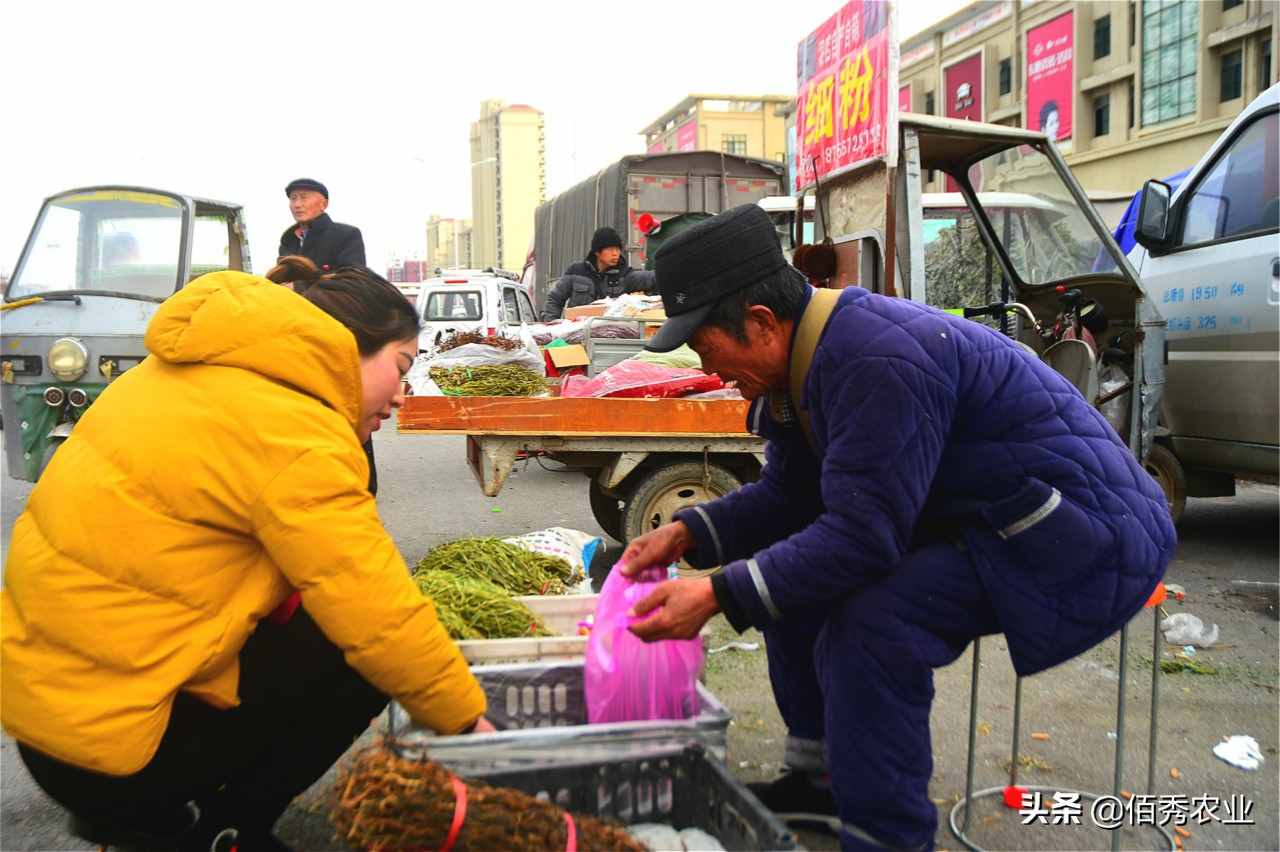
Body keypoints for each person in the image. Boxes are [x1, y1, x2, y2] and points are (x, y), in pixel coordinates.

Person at [617, 204, 1176, 850]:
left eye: (707, 349)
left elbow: (862, 538)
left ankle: (889, 837)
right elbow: (789, 498)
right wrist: (687, 533)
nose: (711, 372)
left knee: (873, 625)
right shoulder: (804, 362)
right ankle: (818, 775)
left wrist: (716, 595)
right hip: (991, 512)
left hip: (1076, 529)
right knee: (787, 569)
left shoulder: (872, 360)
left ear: (761, 323)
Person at [1, 264, 492, 852]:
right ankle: (214, 829)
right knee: (359, 660)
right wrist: (468, 721)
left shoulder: (169, 374)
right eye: (401, 367)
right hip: (111, 745)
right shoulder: (296, 431)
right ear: (343, 349)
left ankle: (161, 815)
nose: (401, 394)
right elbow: (376, 609)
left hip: (40, 712)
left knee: (314, 625)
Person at [540, 225, 656, 320]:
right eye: (610, 249)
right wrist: (551, 325)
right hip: (577, 335)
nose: (615, 253)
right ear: (597, 252)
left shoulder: (624, 275)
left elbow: (652, 278)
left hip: (611, 338)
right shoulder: (576, 272)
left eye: (617, 249)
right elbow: (555, 299)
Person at [277, 178, 366, 270]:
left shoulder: (346, 235)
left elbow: (353, 280)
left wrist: (299, 285)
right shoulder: (287, 242)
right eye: (293, 198)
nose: (297, 205)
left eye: (304, 197)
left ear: (324, 204)